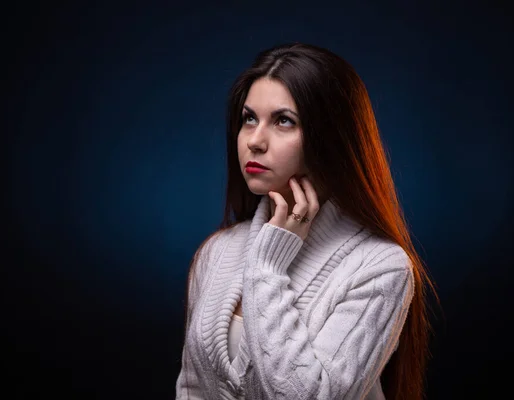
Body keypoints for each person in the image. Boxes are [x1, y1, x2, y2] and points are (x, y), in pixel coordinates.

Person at [175, 42, 437, 400]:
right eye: (249, 118)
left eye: (284, 121)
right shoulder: (217, 252)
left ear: (331, 139)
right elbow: (192, 390)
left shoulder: (381, 267)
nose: (255, 140)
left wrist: (267, 267)